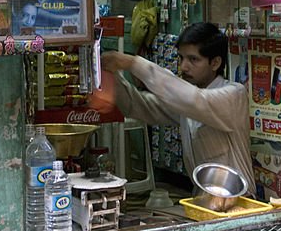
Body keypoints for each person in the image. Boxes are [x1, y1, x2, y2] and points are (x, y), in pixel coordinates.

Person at [99, 22, 255, 193]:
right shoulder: (186, 102)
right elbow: (138, 106)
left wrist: (132, 63)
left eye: (193, 59)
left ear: (215, 63)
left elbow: (196, 101)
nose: (183, 67)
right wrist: (110, 74)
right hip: (204, 202)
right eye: (181, 58)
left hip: (240, 203)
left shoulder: (234, 94)